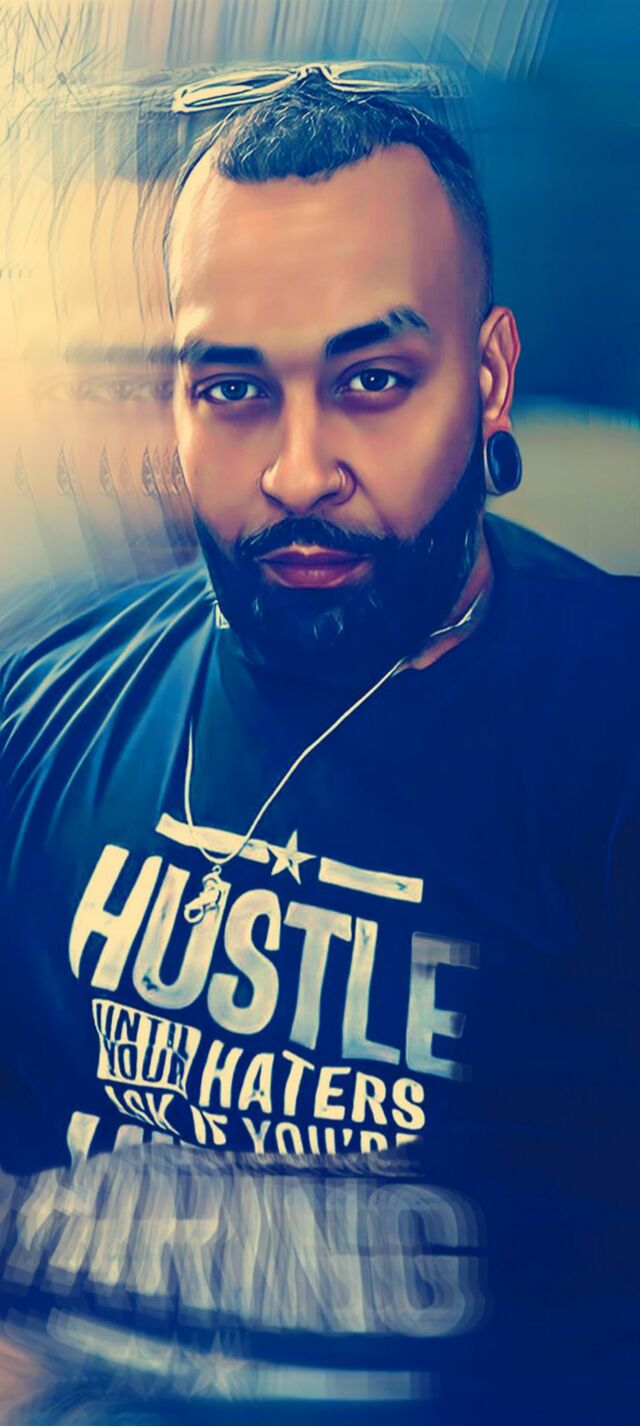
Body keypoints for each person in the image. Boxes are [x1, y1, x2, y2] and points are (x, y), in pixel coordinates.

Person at [1, 70, 639, 1425]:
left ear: (489, 378)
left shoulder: (608, 732)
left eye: (372, 381)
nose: (297, 470)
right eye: (234, 388)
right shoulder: (42, 712)